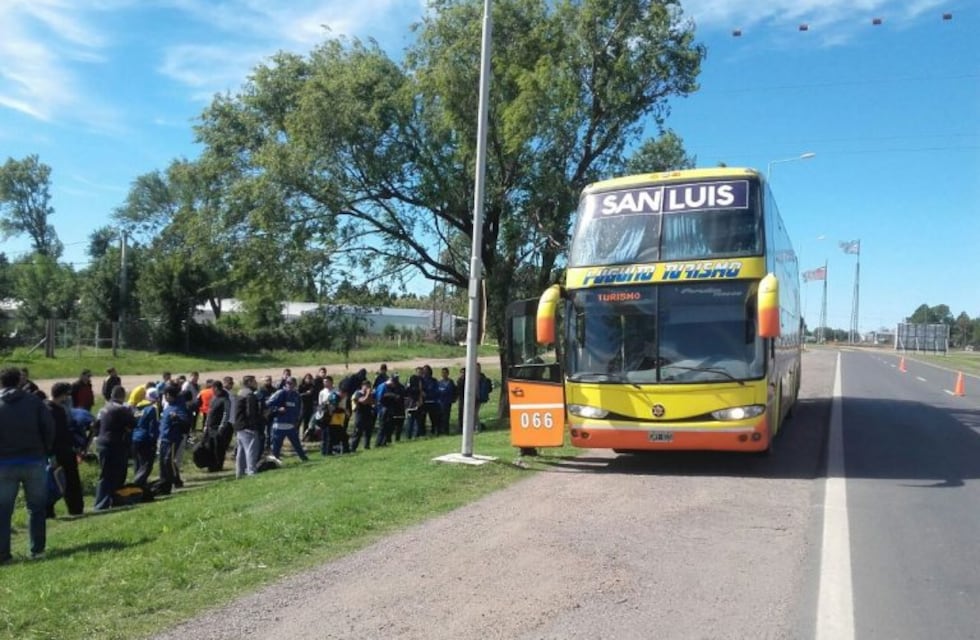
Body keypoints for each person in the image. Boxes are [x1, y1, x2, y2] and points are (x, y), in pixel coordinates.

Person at [0, 366, 55, 563]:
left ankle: (3, 555)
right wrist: (45, 451)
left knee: (3, 511)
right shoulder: (34, 401)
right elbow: (48, 428)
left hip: (4, 464)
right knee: (37, 508)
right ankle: (37, 550)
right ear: (20, 381)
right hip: (34, 460)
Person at [93, 385, 135, 510]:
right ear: (123, 396)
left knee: (105, 473)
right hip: (116, 444)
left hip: (102, 443)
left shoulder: (103, 409)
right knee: (118, 473)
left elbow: (96, 425)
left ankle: (100, 502)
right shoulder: (122, 409)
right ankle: (115, 499)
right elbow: (132, 425)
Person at [45, 383, 84, 517]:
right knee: (70, 481)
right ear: (62, 395)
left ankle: (49, 510)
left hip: (53, 450)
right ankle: (75, 508)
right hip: (61, 450)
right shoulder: (57, 410)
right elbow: (62, 432)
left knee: (52, 482)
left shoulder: (44, 408)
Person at [155, 385, 192, 496]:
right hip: (164, 438)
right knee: (163, 462)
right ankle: (164, 482)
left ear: (170, 395)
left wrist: (176, 418)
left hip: (172, 439)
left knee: (169, 461)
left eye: (165, 395)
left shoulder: (179, 407)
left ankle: (175, 481)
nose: (164, 397)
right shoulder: (168, 407)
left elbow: (186, 422)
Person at [266, 377, 309, 462]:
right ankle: (275, 461)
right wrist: (278, 409)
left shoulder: (296, 395)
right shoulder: (280, 393)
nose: (289, 385)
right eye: (288, 383)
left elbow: (298, 409)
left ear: (295, 384)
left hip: (291, 425)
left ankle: (304, 459)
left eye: (292, 383)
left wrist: (296, 420)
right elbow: (268, 404)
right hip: (279, 425)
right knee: (276, 446)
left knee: (297, 444)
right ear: (285, 384)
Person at [233, 376, 263, 478]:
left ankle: (239, 473)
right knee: (251, 449)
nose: (256, 383)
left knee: (241, 452)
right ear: (249, 382)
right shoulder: (249, 395)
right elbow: (251, 412)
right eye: (254, 381)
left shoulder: (240, 393)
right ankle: (251, 472)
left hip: (239, 426)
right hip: (248, 427)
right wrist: (254, 425)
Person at [131, 389, 161, 488]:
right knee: (147, 465)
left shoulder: (137, 407)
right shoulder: (152, 408)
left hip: (135, 438)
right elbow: (153, 426)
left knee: (138, 464)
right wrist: (154, 441)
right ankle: (137, 484)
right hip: (146, 439)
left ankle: (140, 486)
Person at [318, 376, 348, 455]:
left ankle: (327, 452)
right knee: (330, 437)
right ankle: (328, 452)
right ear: (342, 392)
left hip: (334, 419)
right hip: (331, 419)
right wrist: (343, 410)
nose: (345, 396)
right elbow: (332, 408)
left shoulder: (334, 394)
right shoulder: (335, 397)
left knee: (331, 436)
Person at [349, 379, 375, 452]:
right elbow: (363, 401)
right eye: (366, 386)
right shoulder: (358, 393)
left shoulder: (370, 394)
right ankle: (353, 447)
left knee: (368, 431)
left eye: (369, 386)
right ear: (362, 386)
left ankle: (367, 446)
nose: (368, 388)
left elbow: (372, 402)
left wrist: (369, 395)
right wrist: (367, 394)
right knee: (358, 432)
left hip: (368, 414)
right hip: (360, 415)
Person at [436, 367, 457, 436]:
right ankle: (439, 431)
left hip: (447, 402)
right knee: (439, 417)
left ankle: (446, 431)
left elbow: (454, 392)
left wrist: (453, 399)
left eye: (445, 373)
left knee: (446, 417)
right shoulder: (439, 382)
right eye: (442, 373)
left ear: (448, 373)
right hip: (440, 403)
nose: (443, 374)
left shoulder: (450, 382)